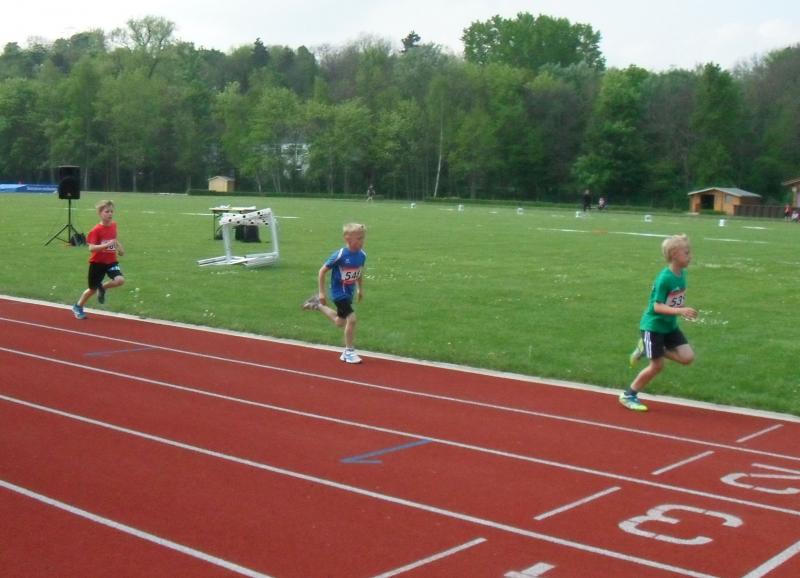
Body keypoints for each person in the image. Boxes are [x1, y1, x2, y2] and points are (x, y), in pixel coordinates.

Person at [622, 234, 697, 411]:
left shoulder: (682, 274)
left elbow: (673, 301)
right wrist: (680, 311)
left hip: (669, 326)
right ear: (674, 255)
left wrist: (682, 311)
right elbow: (657, 306)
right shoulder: (665, 278)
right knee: (657, 366)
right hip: (653, 327)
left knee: (687, 357)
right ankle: (628, 395)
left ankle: (646, 348)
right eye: (686, 253)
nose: (690, 256)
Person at [302, 223, 367, 364]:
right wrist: (322, 292)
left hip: (348, 293)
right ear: (348, 238)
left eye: (363, 238)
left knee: (339, 322)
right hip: (338, 293)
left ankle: (317, 305)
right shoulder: (340, 255)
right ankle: (349, 352)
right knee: (352, 319)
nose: (362, 241)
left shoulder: (362, 255)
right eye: (359, 238)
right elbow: (322, 271)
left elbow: (359, 272)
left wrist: (360, 289)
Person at [71, 200, 126, 320]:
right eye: (107, 211)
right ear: (100, 213)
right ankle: (78, 306)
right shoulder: (96, 230)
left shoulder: (113, 225)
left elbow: (114, 240)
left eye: (111, 211)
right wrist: (106, 245)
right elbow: (91, 248)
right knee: (92, 289)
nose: (110, 214)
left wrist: (120, 248)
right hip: (97, 263)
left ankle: (103, 288)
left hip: (111, 261)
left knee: (120, 280)